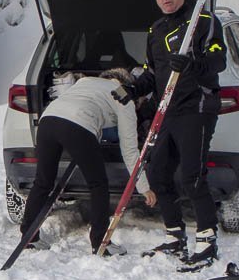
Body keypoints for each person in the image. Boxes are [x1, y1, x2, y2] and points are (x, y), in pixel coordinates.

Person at [126, 0, 227, 266]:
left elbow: (218, 60)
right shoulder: (155, 30)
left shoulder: (204, 21)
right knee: (158, 175)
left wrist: (193, 64)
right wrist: (130, 90)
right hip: (166, 111)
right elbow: (151, 73)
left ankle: (207, 239)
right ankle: (175, 236)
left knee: (192, 176)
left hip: (196, 107)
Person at [18, 68, 155, 255]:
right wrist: (144, 187)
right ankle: (100, 242)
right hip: (79, 126)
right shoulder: (125, 98)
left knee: (43, 182)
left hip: (48, 121)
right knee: (98, 184)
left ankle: (29, 237)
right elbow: (129, 150)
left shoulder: (85, 82)